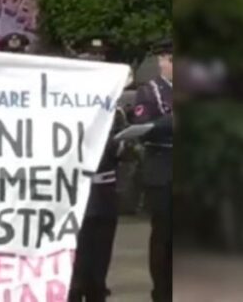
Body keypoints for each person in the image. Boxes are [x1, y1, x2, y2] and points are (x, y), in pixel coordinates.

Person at [69, 39, 127, 302]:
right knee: (75, 266)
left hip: (104, 190)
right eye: (90, 57)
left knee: (99, 261)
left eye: (101, 57)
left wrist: (123, 145)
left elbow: (122, 146)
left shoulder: (114, 107)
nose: (97, 62)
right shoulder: (68, 104)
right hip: (77, 192)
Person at [130, 40, 173, 302]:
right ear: (162, 61)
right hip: (163, 168)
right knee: (164, 236)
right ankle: (162, 293)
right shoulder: (150, 91)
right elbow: (143, 127)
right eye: (171, 59)